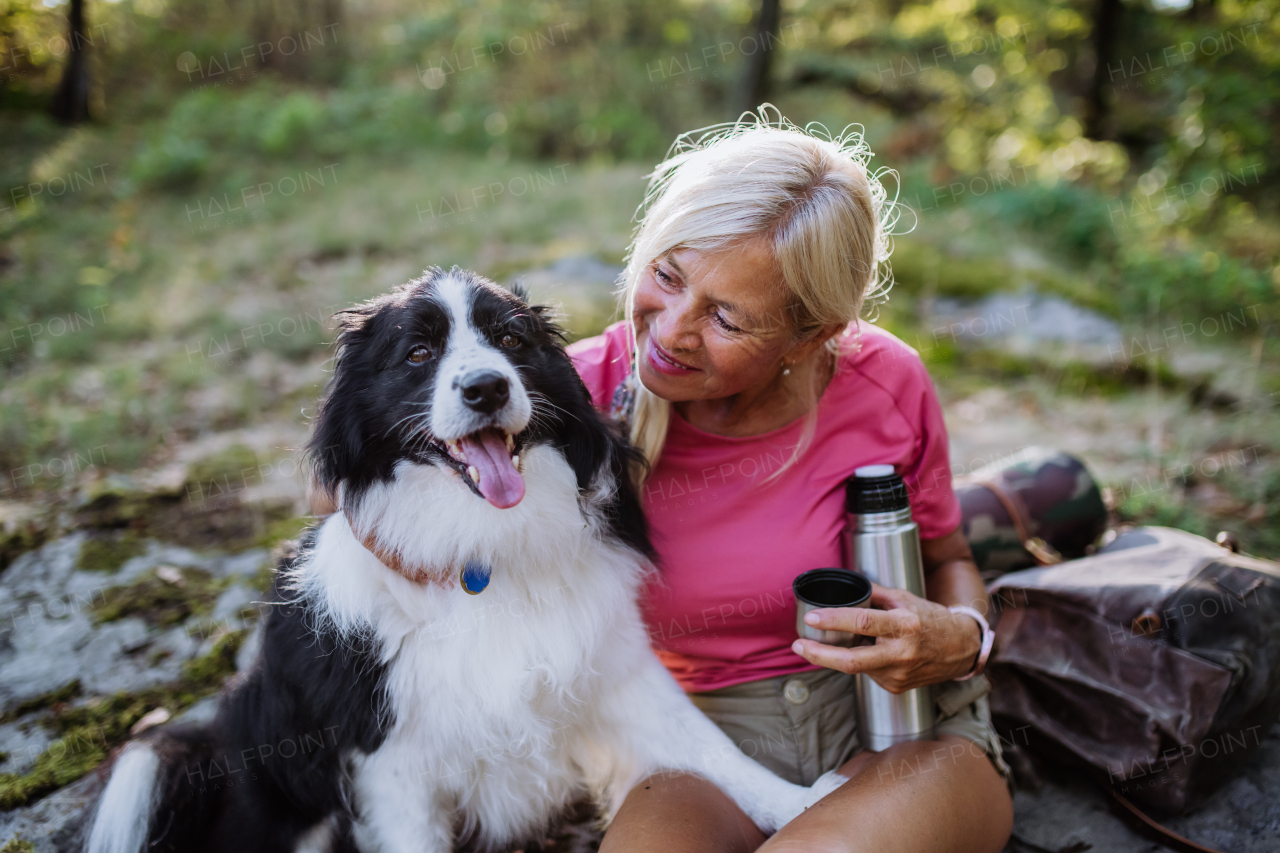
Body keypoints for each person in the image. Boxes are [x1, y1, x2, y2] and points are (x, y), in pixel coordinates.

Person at [565, 108, 1014, 853]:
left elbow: (948, 557)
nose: (671, 329)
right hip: (698, 745)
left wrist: (963, 640)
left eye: (726, 318)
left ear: (810, 335)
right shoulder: (573, 392)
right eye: (668, 276)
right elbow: (354, 485)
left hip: (898, 723)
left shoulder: (886, 382)